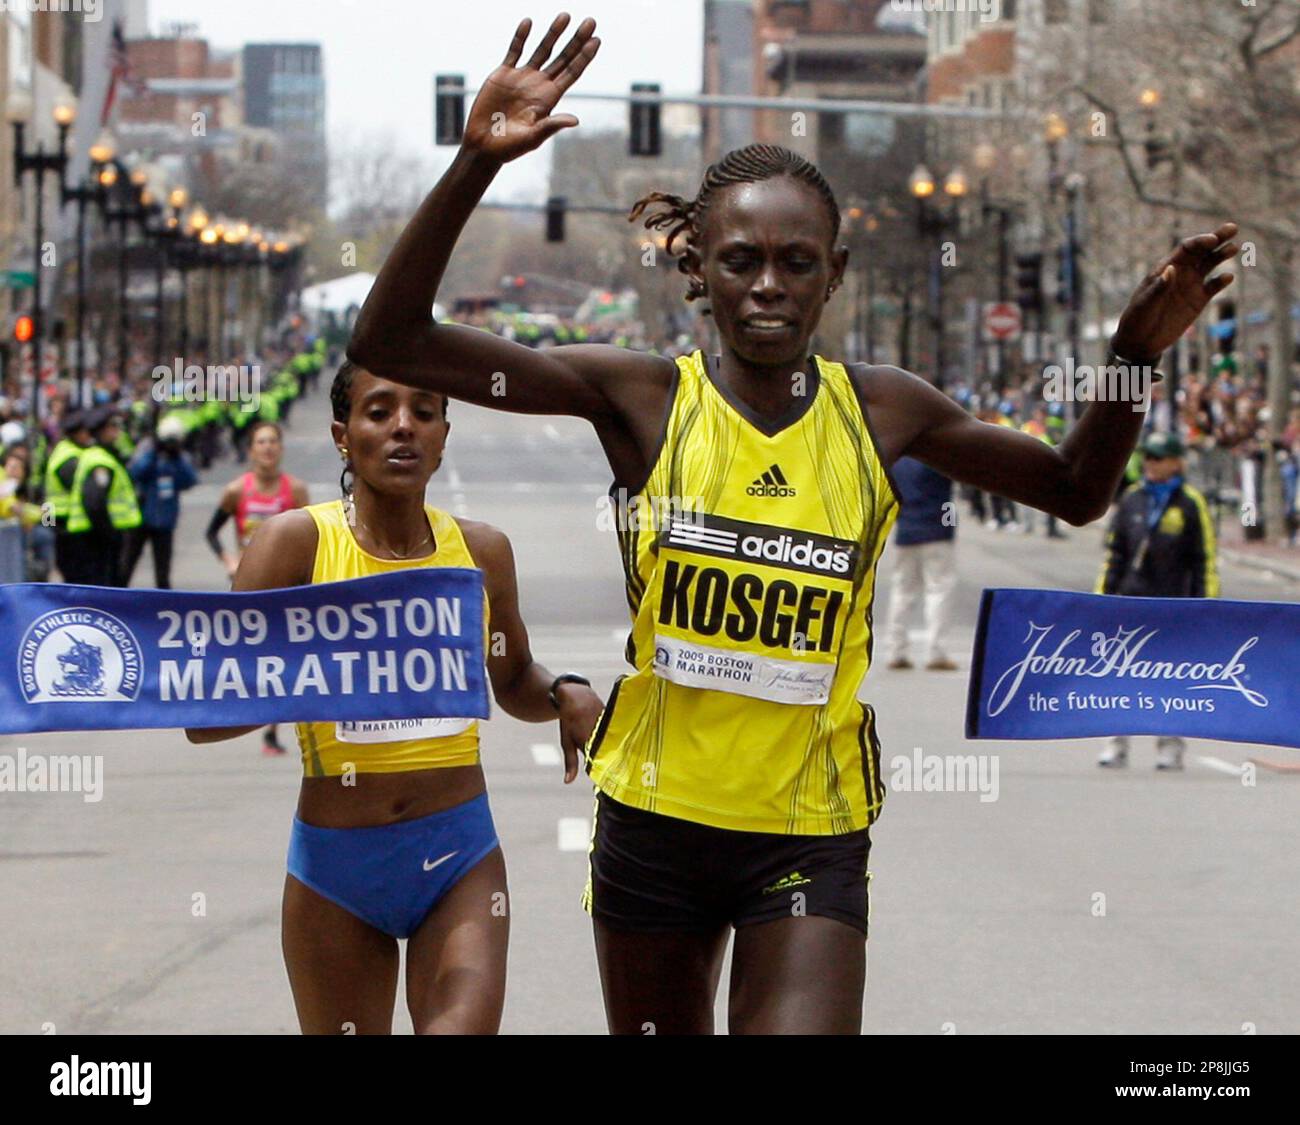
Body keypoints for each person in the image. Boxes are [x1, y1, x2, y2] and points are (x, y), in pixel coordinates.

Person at [348, 12, 1238, 1035]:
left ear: (834, 274)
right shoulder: (641, 400)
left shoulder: (885, 408)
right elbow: (393, 338)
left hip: (807, 834)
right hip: (653, 821)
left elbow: (1076, 489)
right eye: (738, 261)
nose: (766, 286)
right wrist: (473, 163)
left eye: (795, 262)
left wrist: (1131, 351)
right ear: (697, 269)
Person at [185, 363, 603, 1034]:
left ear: (442, 436)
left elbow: (514, 676)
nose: (403, 425)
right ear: (342, 436)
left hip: (459, 859)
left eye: (424, 410)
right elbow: (204, 719)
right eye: (379, 411)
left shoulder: (482, 553)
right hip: (334, 870)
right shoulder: (293, 546)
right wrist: (311, 665)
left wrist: (564, 691)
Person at [1094, 431, 1219, 770]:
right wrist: (1101, 597)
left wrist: (1208, 606)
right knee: (1120, 676)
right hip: (1131, 602)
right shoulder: (1132, 499)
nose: (1151, 464)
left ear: (1177, 462)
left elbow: (1204, 559)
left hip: (1174, 604)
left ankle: (1170, 744)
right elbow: (1115, 553)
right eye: (1148, 457)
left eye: (1159, 458)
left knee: (1172, 679)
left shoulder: (1191, 503)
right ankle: (1115, 742)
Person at [205, 421, 309, 755]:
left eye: (273, 442)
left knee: (284, 652)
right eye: (261, 442)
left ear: (280, 448)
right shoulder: (237, 490)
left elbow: (310, 533)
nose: (267, 448)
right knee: (250, 651)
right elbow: (211, 532)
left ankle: (271, 730)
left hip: (287, 583)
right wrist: (228, 560)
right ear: (251, 450)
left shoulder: (295, 490)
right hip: (248, 581)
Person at [885, 456, 958, 672]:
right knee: (940, 590)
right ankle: (937, 651)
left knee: (902, 591)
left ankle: (896, 650)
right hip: (938, 528)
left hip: (906, 529)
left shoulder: (897, 461)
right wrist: (951, 524)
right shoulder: (937, 456)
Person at [65, 407, 142, 587]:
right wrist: (110, 534)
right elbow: (93, 503)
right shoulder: (96, 461)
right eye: (113, 427)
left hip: (85, 532)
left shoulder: (96, 455)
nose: (117, 432)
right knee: (99, 591)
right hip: (86, 535)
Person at [123, 415, 199, 589]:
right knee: (126, 565)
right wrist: (153, 452)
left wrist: (177, 457)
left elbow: (190, 480)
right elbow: (135, 473)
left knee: (162, 573)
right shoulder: (148, 449)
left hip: (165, 519)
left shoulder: (179, 457)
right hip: (140, 517)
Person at [44, 410, 94, 582]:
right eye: (86, 431)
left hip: (61, 519)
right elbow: (79, 487)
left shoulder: (69, 451)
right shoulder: (68, 457)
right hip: (63, 521)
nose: (89, 435)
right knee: (74, 571)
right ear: (76, 433)